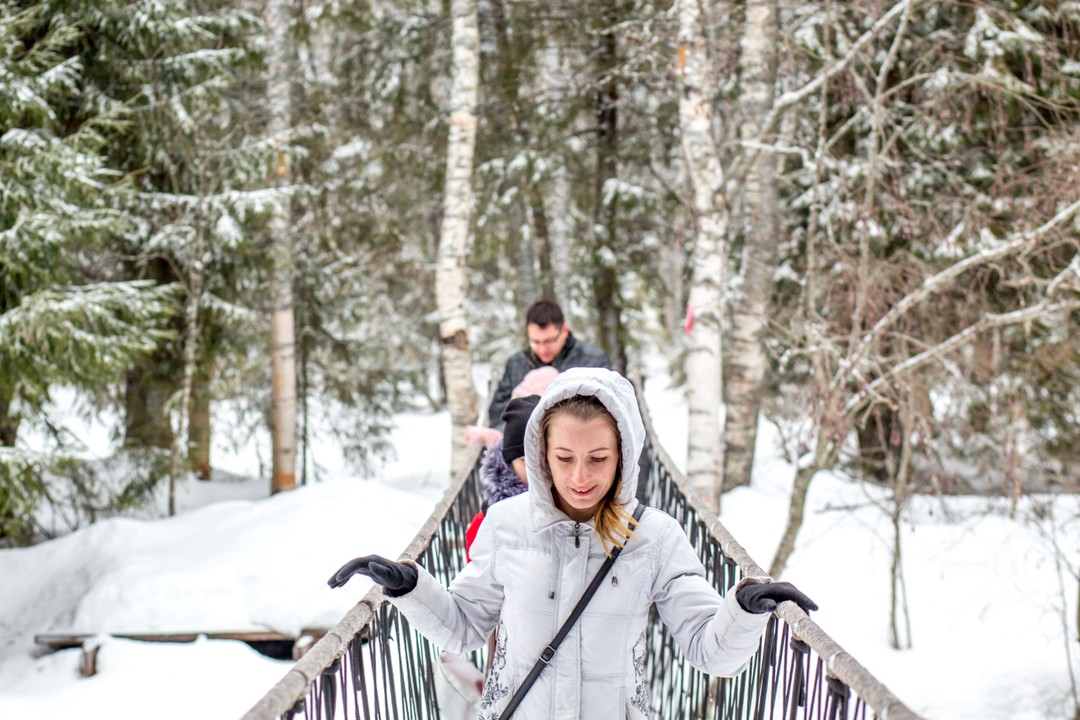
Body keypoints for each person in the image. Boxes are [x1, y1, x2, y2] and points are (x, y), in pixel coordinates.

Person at [329, 368, 816, 719]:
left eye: (598, 459)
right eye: (564, 458)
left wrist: (745, 608)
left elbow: (710, 652)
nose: (580, 478)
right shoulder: (506, 524)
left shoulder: (657, 537)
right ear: (541, 454)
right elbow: (464, 628)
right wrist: (409, 587)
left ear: (624, 456)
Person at [487, 300, 611, 428]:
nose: (542, 349)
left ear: (564, 331)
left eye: (549, 341)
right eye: (535, 342)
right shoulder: (516, 363)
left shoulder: (592, 361)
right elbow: (498, 415)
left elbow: (607, 411)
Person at [464, 395, 537, 562]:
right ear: (508, 463)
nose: (536, 469)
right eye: (525, 461)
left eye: (544, 459)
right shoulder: (487, 523)